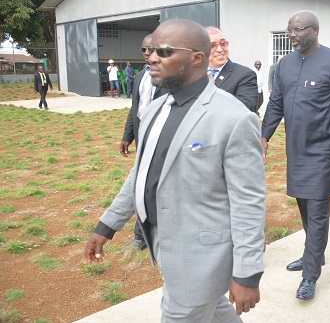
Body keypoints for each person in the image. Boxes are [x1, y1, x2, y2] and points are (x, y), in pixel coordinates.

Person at [85, 19, 266, 322]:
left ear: (197, 58)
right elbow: (141, 173)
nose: (152, 57)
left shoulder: (234, 118)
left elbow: (248, 203)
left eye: (165, 51)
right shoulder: (156, 108)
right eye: (152, 50)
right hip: (165, 246)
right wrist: (107, 225)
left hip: (201, 256)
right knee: (215, 309)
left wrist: (248, 273)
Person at [261, 10, 330, 300]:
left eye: (298, 30)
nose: (292, 35)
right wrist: (263, 137)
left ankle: (310, 274)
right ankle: (314, 254)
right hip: (296, 150)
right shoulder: (285, 65)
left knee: (317, 210)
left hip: (324, 150)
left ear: (315, 30)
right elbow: (275, 103)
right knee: (304, 204)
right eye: (290, 30)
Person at [119, 34, 166, 251]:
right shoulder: (139, 76)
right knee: (142, 184)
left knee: (156, 185)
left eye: (151, 49)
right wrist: (127, 136)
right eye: (143, 50)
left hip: (164, 140)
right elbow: (134, 109)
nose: (147, 53)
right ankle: (141, 236)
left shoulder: (170, 75)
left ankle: (155, 233)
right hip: (142, 139)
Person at [205, 27, 258, 112]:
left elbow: (248, 108)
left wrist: (213, 90)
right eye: (212, 46)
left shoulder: (245, 74)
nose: (219, 49)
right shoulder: (193, 74)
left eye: (223, 43)